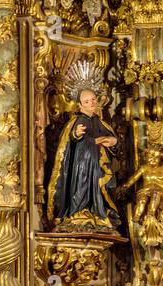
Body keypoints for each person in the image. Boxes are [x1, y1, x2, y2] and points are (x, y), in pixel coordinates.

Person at [48, 87, 118, 228]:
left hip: (98, 163)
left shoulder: (99, 122)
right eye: (86, 101)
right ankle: (79, 212)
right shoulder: (78, 121)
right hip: (82, 164)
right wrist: (76, 134)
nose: (91, 103)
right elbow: (69, 142)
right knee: (81, 186)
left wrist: (113, 141)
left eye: (93, 99)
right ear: (80, 105)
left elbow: (112, 138)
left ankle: (97, 213)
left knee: (98, 187)